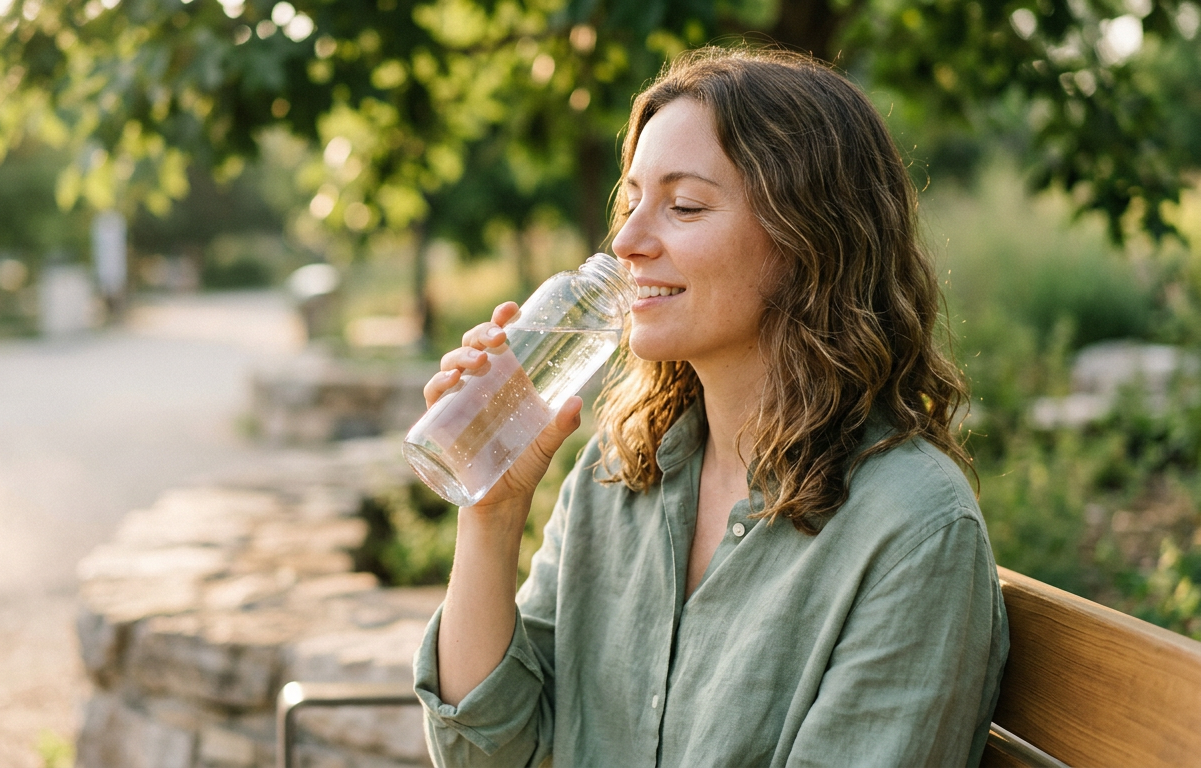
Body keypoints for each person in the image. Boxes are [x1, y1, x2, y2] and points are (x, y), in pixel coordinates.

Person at [411, 47, 1008, 767]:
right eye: (632, 202)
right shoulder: (617, 476)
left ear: (810, 239)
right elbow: (491, 757)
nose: (627, 242)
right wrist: (491, 513)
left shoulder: (911, 529)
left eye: (685, 206)